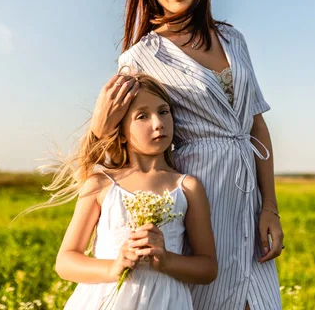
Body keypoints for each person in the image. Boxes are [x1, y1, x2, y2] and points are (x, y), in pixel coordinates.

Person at [90, 0, 284, 310]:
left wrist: (270, 207)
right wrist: (99, 124)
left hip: (248, 201)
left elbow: (255, 122)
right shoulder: (139, 58)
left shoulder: (233, 39)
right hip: (198, 196)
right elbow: (121, 140)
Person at [25, 73, 217, 310]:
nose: (158, 123)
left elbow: (207, 269)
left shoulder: (187, 187)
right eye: (142, 116)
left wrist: (166, 260)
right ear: (122, 132)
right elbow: (65, 262)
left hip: (165, 302)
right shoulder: (101, 183)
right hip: (104, 301)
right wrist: (114, 266)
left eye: (164, 111)